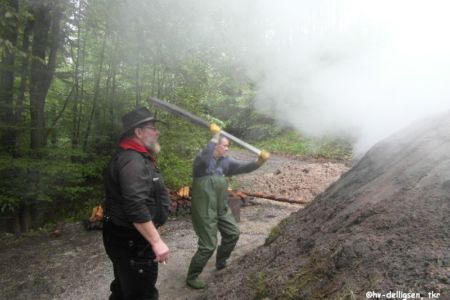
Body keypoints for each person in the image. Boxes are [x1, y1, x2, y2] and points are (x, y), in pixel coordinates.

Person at [186, 123, 270, 289]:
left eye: (227, 146)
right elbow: (204, 156)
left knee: (233, 233)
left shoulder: (226, 162)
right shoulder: (202, 160)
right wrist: (214, 137)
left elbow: (243, 167)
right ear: (215, 146)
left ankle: (221, 261)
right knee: (208, 245)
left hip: (220, 206)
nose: (226, 149)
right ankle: (192, 276)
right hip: (204, 209)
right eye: (224, 146)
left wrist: (259, 162)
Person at [102, 107, 170, 300]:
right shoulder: (132, 161)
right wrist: (156, 241)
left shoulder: (136, 157)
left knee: (124, 287)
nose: (157, 132)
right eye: (152, 127)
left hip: (127, 238)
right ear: (138, 132)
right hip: (131, 241)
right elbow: (134, 206)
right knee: (141, 293)